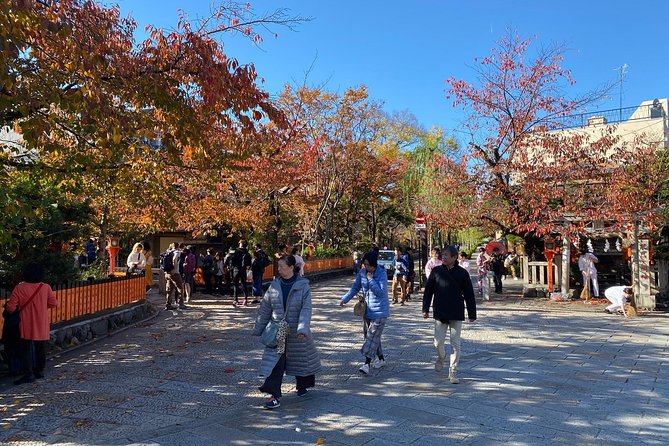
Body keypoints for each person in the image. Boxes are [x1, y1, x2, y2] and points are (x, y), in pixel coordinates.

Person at [252, 255, 321, 409]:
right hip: (278, 330)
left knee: (302, 358)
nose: (279, 270)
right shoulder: (274, 285)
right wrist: (259, 328)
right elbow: (265, 308)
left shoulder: (303, 286)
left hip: (296, 329)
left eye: (282, 267)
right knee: (276, 362)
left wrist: (302, 328)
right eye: (279, 267)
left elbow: (306, 309)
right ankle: (274, 394)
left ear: (291, 267)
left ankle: (304, 384)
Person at [422, 246, 477, 384]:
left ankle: (453, 371)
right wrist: (425, 309)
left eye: (446, 255)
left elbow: (469, 294)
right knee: (437, 342)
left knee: (455, 343)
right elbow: (428, 291)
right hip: (440, 311)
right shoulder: (436, 271)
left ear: (454, 257)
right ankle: (441, 357)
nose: (444, 257)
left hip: (456, 311)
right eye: (443, 255)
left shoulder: (462, 273)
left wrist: (472, 313)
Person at [6, 263, 58, 384]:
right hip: (41, 322)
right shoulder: (45, 287)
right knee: (40, 348)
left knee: (25, 348)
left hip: (26, 323)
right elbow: (53, 304)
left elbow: (11, 308)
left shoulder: (20, 288)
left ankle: (28, 373)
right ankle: (39, 371)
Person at [340, 251, 390, 374]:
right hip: (367, 310)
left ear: (374, 264)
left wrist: (371, 280)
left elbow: (381, 292)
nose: (367, 268)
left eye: (369, 265)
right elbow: (355, 287)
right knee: (372, 337)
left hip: (380, 312)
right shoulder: (362, 273)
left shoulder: (382, 273)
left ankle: (366, 364)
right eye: (365, 265)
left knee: (371, 336)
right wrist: (345, 299)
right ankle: (381, 359)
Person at [231, 240, 252, 305]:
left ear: (240, 245)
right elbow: (249, 263)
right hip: (243, 270)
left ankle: (235, 299)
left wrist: (232, 267)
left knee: (235, 285)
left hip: (236, 270)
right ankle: (245, 299)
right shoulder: (247, 253)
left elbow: (232, 261)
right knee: (244, 285)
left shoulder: (236, 252)